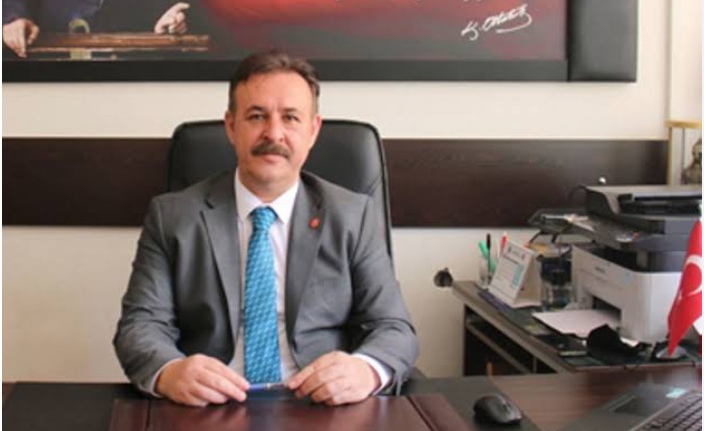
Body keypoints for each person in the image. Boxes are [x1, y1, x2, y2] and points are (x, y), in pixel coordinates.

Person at [114, 50, 419, 407]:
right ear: (231, 126)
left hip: (320, 404)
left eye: (290, 118)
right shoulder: (173, 216)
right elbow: (140, 326)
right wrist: (170, 371)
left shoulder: (353, 215)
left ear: (313, 130)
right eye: (257, 116)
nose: (274, 133)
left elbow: (394, 328)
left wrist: (365, 370)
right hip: (210, 404)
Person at [2, 0, 194, 58]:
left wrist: (164, 23)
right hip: (49, 83)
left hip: (128, 84)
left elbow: (167, 12)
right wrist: (12, 19)